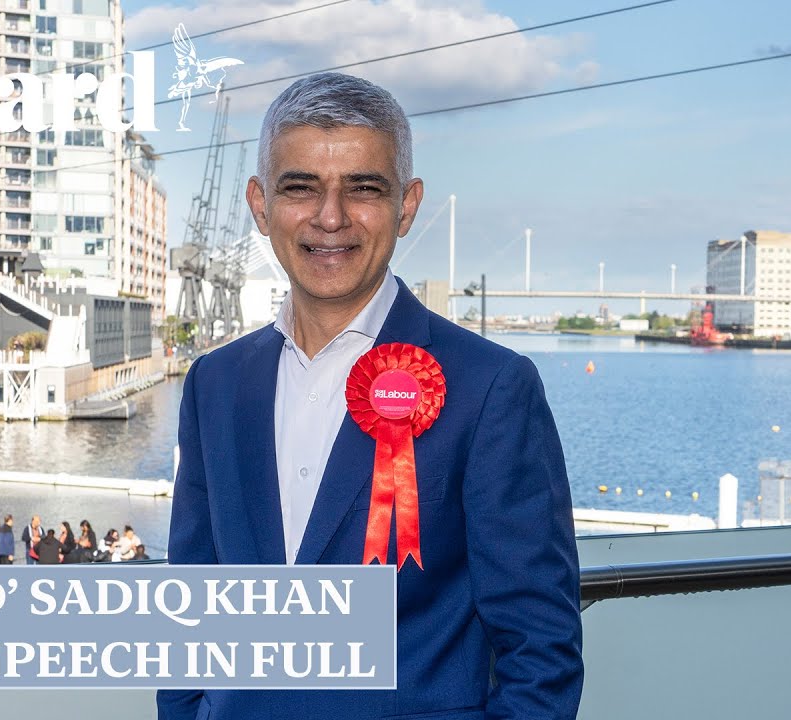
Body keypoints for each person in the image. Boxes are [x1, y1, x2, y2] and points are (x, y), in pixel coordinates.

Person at [159, 73, 583, 719]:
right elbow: (193, 596)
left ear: (407, 206)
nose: (331, 218)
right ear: (259, 203)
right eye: (300, 187)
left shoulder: (490, 385)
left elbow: (539, 642)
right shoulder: (214, 382)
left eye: (364, 188)